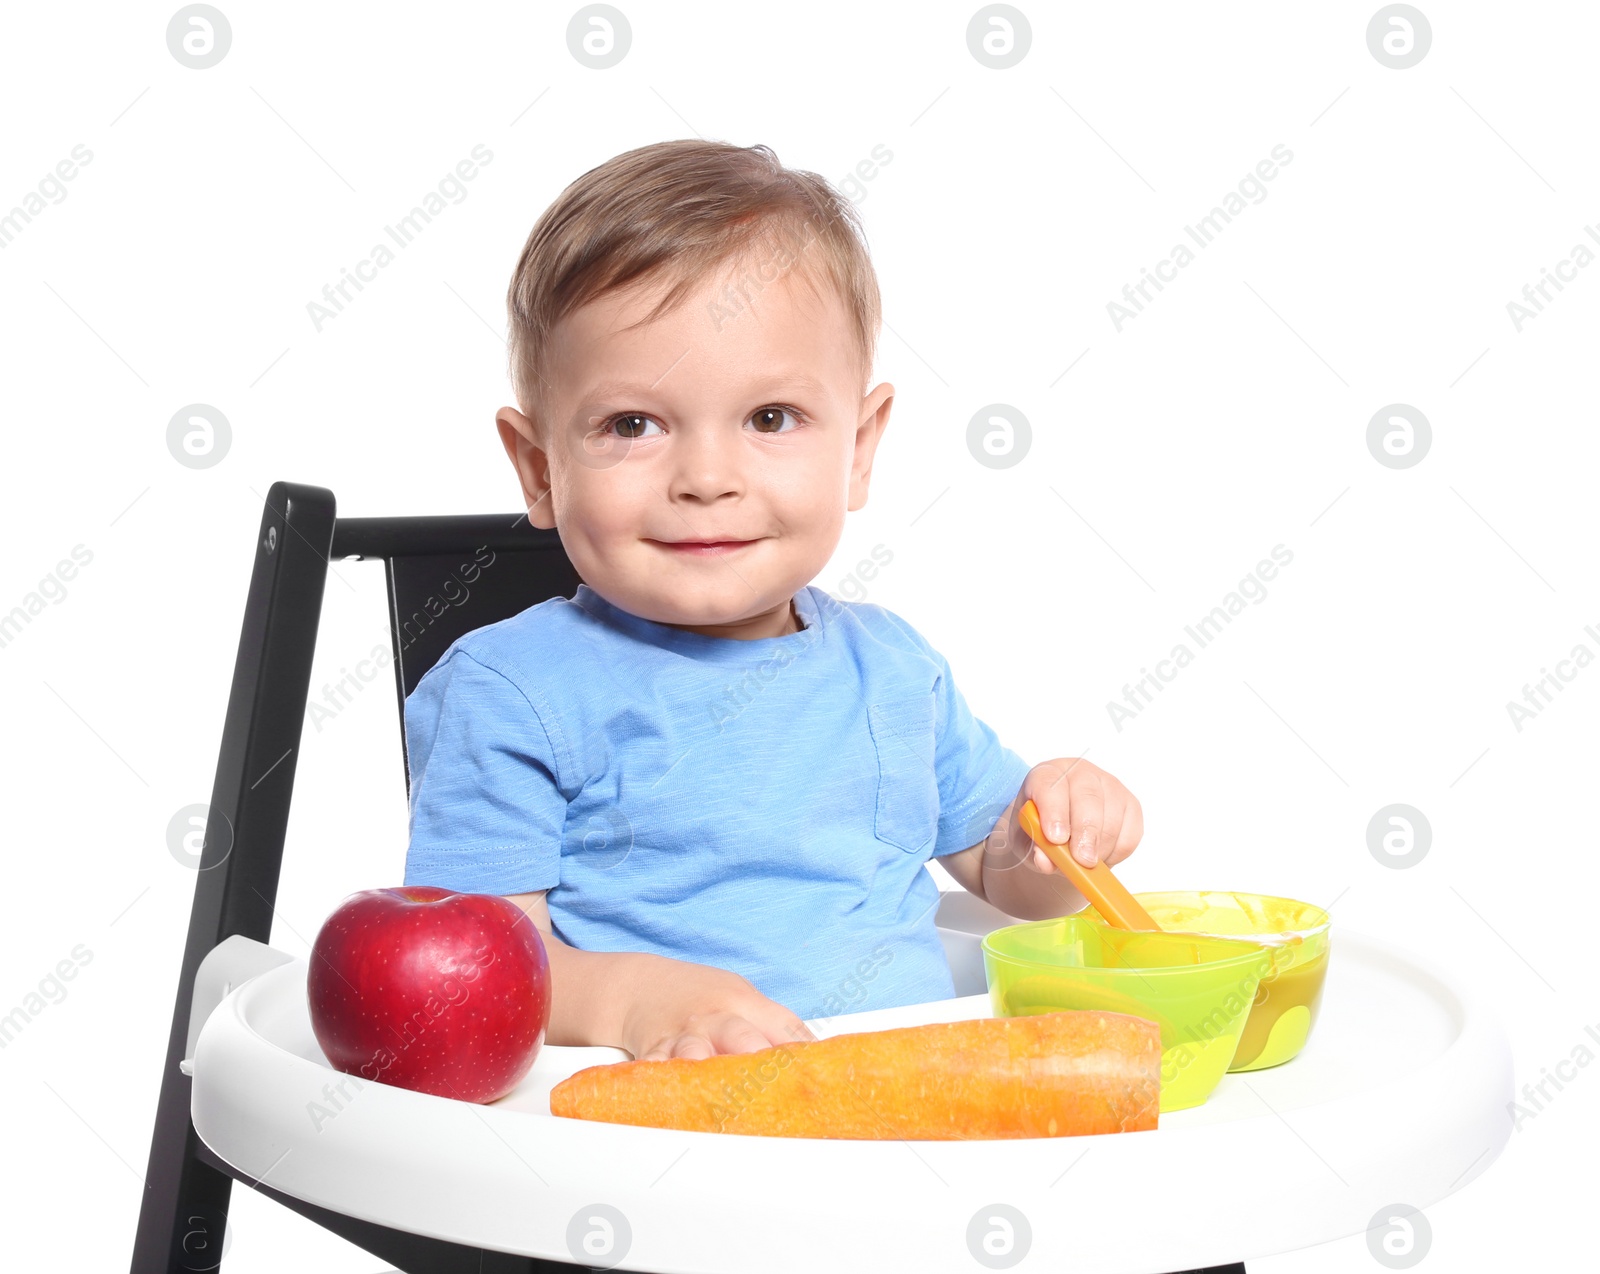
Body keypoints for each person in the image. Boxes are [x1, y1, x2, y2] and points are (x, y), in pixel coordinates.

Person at [402, 139, 1144, 1063]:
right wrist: (639, 1003)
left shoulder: (893, 670)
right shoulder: (509, 694)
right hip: (652, 1144)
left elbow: (1003, 877)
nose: (707, 478)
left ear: (861, 446)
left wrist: (1054, 837)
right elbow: (470, 972)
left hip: (918, 1108)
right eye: (632, 424)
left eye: (770, 419)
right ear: (540, 468)